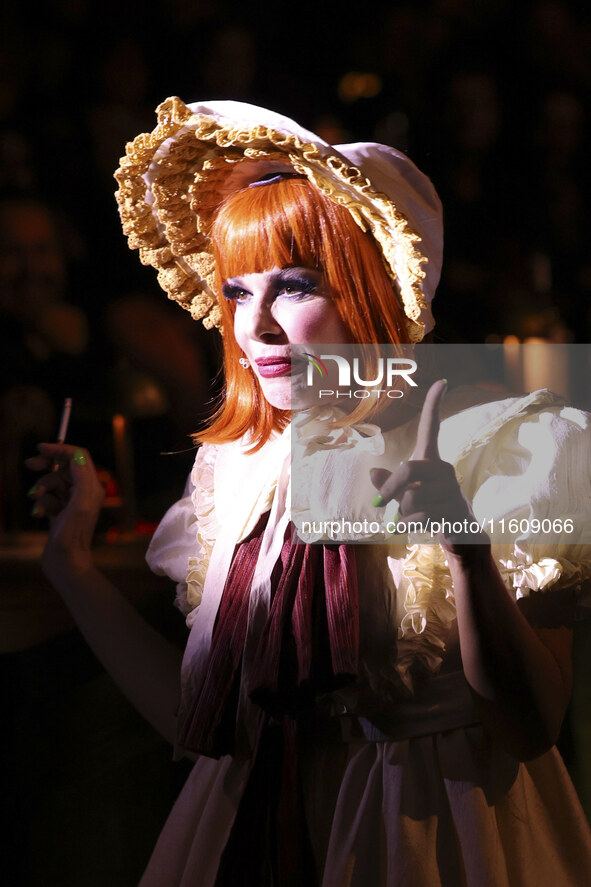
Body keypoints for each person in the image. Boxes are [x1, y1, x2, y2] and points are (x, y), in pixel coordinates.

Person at [28, 98, 591, 886]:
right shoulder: (239, 467)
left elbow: (532, 725)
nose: (253, 326)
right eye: (234, 292)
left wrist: (466, 554)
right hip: (249, 834)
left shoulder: (518, 443)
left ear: (373, 286)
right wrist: (73, 567)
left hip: (437, 843)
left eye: (293, 285)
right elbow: (211, 733)